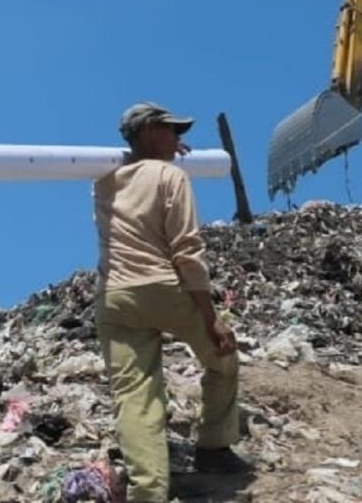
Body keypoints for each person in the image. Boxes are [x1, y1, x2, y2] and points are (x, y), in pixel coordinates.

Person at [93, 102, 250, 502]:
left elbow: (134, 168)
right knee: (222, 359)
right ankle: (214, 448)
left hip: (116, 296)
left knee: (134, 397)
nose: (180, 139)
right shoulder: (170, 176)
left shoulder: (103, 178)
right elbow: (186, 249)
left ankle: (149, 494)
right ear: (148, 130)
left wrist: (154, 153)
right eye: (172, 130)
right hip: (164, 287)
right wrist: (211, 317)